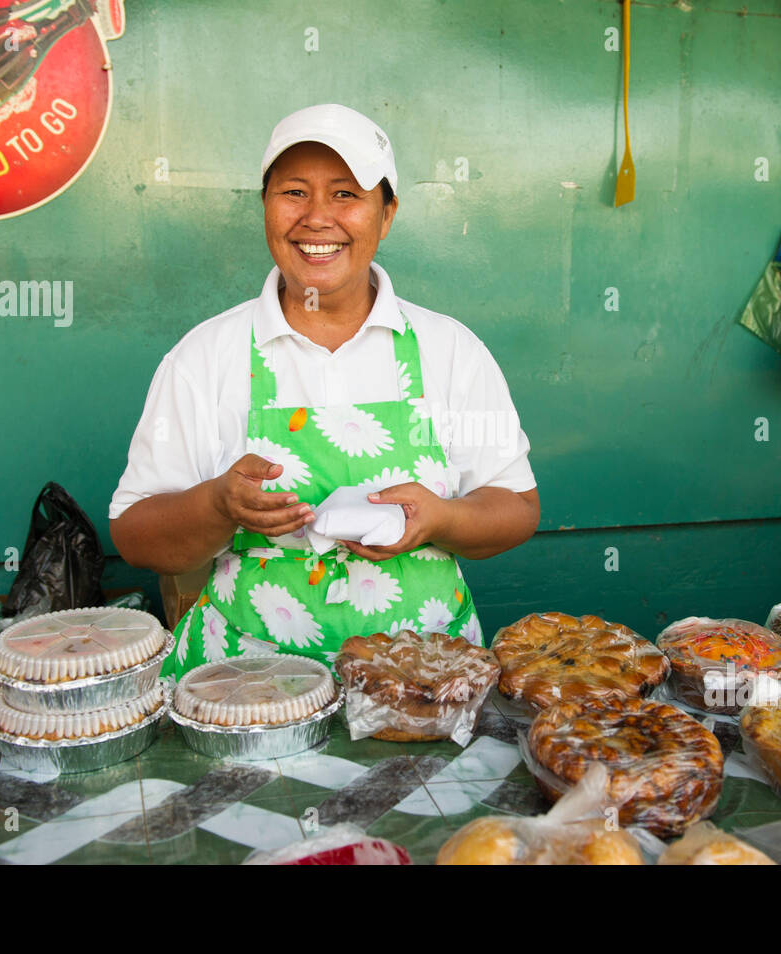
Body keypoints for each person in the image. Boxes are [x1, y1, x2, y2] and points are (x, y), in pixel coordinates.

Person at [109, 104, 540, 677]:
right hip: (246, 686)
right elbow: (136, 536)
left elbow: (515, 507)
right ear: (265, 208)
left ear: (385, 215)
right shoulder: (204, 357)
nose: (317, 218)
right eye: (293, 192)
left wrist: (440, 519)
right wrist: (217, 504)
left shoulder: (450, 349)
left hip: (427, 684)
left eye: (345, 194)